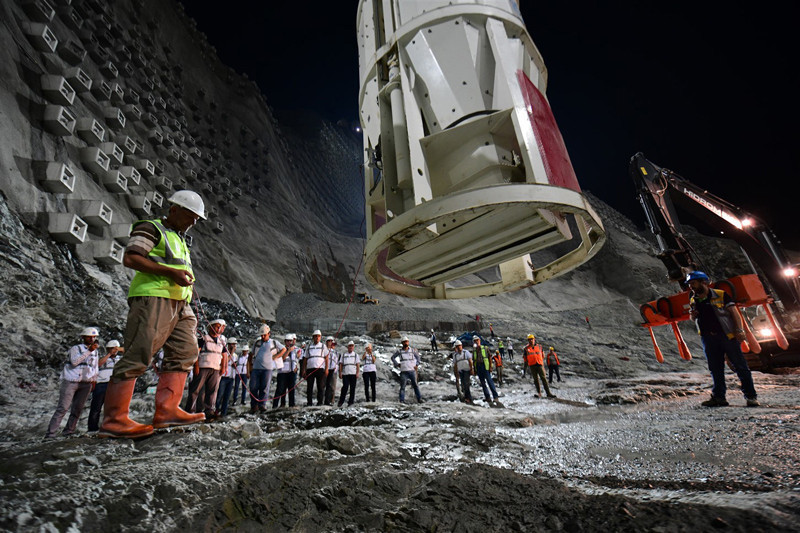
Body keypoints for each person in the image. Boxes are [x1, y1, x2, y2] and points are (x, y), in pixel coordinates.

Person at [100, 190, 207, 438]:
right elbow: (132, 258)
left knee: (186, 352)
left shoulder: (180, 238)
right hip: (154, 298)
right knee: (140, 351)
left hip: (181, 303)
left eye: (196, 220)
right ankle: (114, 420)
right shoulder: (152, 228)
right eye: (190, 217)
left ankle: (167, 411)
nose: (193, 223)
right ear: (173, 210)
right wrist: (171, 273)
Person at [687, 271, 759, 407]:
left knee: (741, 366)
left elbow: (734, 313)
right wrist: (693, 315)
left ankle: (751, 397)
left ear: (703, 282)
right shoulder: (693, 299)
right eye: (690, 284)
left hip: (726, 336)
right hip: (708, 338)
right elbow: (693, 318)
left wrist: (739, 330)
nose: (691, 286)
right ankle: (719, 397)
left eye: (693, 283)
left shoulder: (720, 294)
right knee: (715, 368)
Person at [45, 327, 101, 438]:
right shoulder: (76, 348)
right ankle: (50, 434)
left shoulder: (95, 352)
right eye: (89, 337)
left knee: (77, 409)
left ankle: (69, 431)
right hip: (71, 381)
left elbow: (95, 367)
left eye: (94, 337)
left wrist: (94, 380)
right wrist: (89, 351)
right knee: (63, 408)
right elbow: (74, 362)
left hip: (86, 383)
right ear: (83, 337)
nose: (92, 339)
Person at [185, 318, 227, 420]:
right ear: (211, 327)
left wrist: (224, 367)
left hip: (216, 368)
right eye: (218, 326)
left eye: (221, 327)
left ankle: (209, 411)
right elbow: (196, 352)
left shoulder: (222, 340)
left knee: (212, 391)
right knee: (195, 390)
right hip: (203, 367)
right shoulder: (203, 338)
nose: (220, 329)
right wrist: (196, 366)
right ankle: (190, 411)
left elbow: (224, 355)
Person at [87, 340, 123, 432]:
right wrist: (109, 354)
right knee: (96, 407)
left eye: (116, 349)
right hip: (101, 384)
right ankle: (92, 428)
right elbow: (98, 364)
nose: (115, 350)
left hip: (115, 385)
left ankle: (112, 426)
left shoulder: (121, 359)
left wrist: (119, 349)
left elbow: (132, 355)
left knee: (114, 407)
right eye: (112, 348)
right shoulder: (102, 358)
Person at [249, 324, 286, 413]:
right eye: (261, 335)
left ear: (269, 334)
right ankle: (254, 405)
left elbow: (284, 349)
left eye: (264, 335)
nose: (262, 336)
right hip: (256, 368)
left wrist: (276, 356)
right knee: (253, 387)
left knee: (264, 387)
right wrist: (250, 366)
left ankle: (262, 405)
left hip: (267, 369)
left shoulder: (274, 342)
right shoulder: (257, 343)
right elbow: (251, 354)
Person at [391, 337, 423, 404]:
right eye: (404, 342)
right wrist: (397, 364)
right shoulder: (399, 351)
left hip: (412, 371)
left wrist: (416, 365)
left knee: (415, 386)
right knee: (403, 387)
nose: (406, 343)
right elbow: (392, 357)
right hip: (404, 372)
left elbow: (418, 358)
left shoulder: (413, 350)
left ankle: (419, 399)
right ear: (402, 343)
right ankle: (401, 400)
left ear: (408, 342)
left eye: (407, 341)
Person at [472, 336, 502, 407]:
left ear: (479, 340)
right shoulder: (474, 351)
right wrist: (475, 370)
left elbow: (489, 357)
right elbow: (474, 360)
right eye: (475, 341)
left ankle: (495, 397)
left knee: (489, 381)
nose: (476, 342)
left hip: (485, 366)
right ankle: (487, 397)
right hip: (479, 367)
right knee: (483, 383)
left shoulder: (485, 348)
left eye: (477, 340)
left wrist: (490, 367)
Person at [301, 330, 328, 406]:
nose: (317, 337)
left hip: (320, 369)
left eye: (318, 336)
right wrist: (303, 370)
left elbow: (326, 358)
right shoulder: (309, 347)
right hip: (310, 369)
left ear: (320, 337)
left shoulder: (323, 346)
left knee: (320, 386)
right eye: (315, 336)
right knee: (309, 387)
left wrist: (326, 369)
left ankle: (320, 402)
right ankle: (309, 402)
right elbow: (305, 359)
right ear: (313, 337)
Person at [523, 334, 554, 399]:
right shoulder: (526, 348)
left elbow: (543, 355)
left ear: (534, 339)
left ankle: (548, 393)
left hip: (539, 364)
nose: (531, 341)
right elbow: (525, 359)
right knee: (536, 380)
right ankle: (539, 393)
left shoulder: (539, 346)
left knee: (544, 379)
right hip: (532, 365)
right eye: (529, 339)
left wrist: (539, 361)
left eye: (532, 339)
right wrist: (525, 370)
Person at [273, 333, 300, 408]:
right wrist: (288, 351)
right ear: (285, 341)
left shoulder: (295, 350)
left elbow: (296, 360)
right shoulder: (281, 349)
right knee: (280, 389)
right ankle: (275, 405)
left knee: (291, 389)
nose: (289, 342)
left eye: (290, 341)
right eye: (287, 341)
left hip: (291, 372)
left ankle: (291, 404)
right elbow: (282, 358)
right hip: (282, 372)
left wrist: (296, 367)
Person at [214, 337, 237, 417]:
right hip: (224, 377)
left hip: (231, 378)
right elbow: (226, 360)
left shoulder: (236, 356)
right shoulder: (224, 353)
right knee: (219, 395)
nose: (233, 346)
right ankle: (215, 410)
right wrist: (231, 352)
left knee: (227, 396)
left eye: (234, 345)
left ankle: (224, 412)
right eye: (232, 344)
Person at [338, 341, 360, 407]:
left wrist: (357, 372)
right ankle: (341, 401)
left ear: (353, 347)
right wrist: (340, 372)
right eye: (349, 346)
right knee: (345, 387)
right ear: (348, 347)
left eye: (352, 346)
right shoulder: (344, 355)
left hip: (353, 373)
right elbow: (341, 364)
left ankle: (351, 402)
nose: (350, 347)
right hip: (345, 373)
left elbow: (358, 364)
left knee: (352, 388)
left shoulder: (356, 355)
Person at [451, 339, 473, 405]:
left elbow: (470, 361)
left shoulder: (466, 352)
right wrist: (456, 372)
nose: (459, 347)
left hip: (467, 370)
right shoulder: (455, 355)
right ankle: (467, 397)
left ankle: (468, 398)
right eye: (457, 346)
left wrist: (471, 369)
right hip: (460, 371)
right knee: (463, 384)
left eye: (459, 346)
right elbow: (455, 365)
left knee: (466, 384)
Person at [324, 337, 340, 406]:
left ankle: (331, 401)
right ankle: (324, 400)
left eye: (333, 343)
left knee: (332, 387)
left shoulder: (336, 352)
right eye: (329, 341)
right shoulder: (324, 351)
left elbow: (338, 362)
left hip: (333, 371)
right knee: (324, 385)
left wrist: (336, 369)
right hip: (325, 370)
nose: (331, 344)